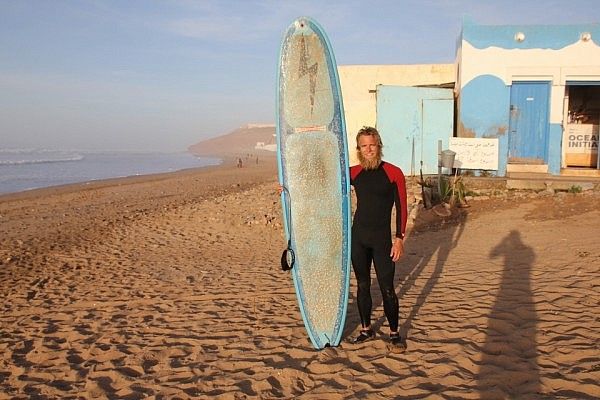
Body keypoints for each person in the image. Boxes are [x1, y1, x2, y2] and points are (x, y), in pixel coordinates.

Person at [349, 126, 408, 352]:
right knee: (363, 286)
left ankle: (394, 334)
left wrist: (400, 238)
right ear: (359, 149)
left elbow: (402, 206)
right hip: (359, 238)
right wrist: (287, 188)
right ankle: (366, 329)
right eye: (364, 146)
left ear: (379, 146)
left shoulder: (393, 172)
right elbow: (322, 185)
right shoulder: (353, 173)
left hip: (383, 240)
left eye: (372, 145)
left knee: (387, 288)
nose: (369, 149)